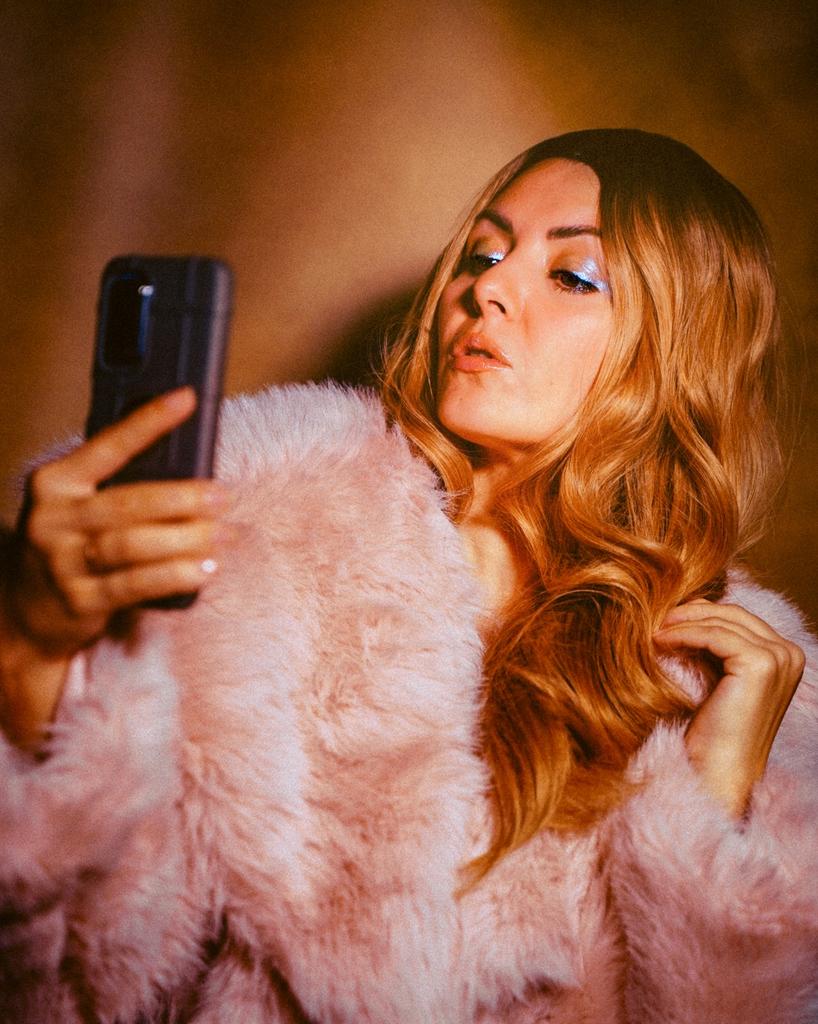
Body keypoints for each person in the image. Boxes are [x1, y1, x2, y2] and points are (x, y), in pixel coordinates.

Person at [0, 129, 816, 1023]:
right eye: (483, 255)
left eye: (573, 276)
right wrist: (34, 652)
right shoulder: (248, 529)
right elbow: (75, 983)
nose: (486, 289)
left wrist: (711, 807)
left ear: (678, 348)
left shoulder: (728, 679)